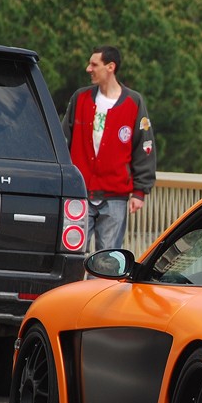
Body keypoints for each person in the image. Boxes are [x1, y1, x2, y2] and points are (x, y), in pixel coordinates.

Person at [62, 45, 156, 251]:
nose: (88, 69)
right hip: (80, 193)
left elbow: (145, 146)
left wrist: (140, 191)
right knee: (72, 253)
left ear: (110, 67)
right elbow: (63, 140)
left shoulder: (134, 102)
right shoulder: (80, 98)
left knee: (108, 260)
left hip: (115, 196)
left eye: (94, 64)